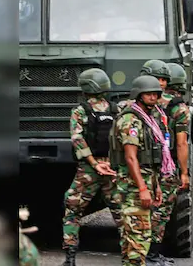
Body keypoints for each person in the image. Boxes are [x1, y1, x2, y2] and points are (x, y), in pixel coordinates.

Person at [61, 68, 121, 266]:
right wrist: (112, 163)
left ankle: (70, 258)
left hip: (89, 168)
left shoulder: (80, 111)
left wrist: (95, 164)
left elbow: (77, 139)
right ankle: (134, 255)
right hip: (112, 168)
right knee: (121, 211)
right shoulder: (115, 109)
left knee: (72, 210)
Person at [111, 76, 168, 266]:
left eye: (155, 94)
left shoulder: (147, 119)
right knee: (138, 237)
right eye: (148, 94)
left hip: (145, 181)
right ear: (138, 95)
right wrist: (143, 188)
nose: (153, 97)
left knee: (134, 239)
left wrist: (156, 186)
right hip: (133, 186)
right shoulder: (131, 120)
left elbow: (150, 162)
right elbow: (130, 157)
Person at [150, 62, 193, 266]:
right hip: (167, 165)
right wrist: (184, 172)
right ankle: (153, 254)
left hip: (141, 164)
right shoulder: (179, 108)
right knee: (161, 210)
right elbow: (182, 142)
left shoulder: (137, 102)